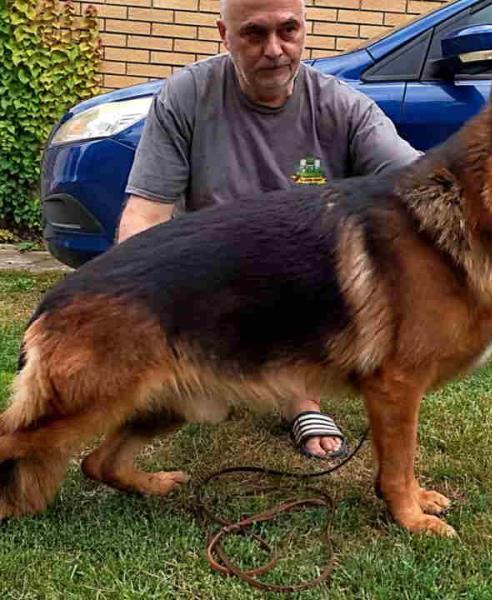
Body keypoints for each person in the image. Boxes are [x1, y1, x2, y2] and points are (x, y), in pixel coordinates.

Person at [118, 0, 421, 459]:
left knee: (333, 263)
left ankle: (302, 397)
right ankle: (202, 371)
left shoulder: (343, 106)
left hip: (302, 286)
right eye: (254, 34)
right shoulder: (186, 95)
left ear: (305, 28)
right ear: (224, 34)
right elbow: (145, 214)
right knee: (196, 403)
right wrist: (128, 318)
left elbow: (416, 185)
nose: (275, 49)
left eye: (288, 30)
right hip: (209, 275)